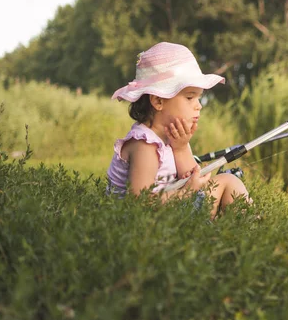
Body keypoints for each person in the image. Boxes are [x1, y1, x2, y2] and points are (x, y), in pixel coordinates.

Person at [106, 42, 250, 218]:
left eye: (199, 98)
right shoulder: (145, 144)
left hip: (171, 208)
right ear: (158, 101)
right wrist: (187, 192)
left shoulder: (173, 138)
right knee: (227, 182)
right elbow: (140, 203)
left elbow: (190, 176)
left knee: (228, 181)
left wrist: (181, 148)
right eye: (190, 97)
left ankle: (249, 224)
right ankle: (248, 228)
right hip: (148, 221)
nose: (198, 106)